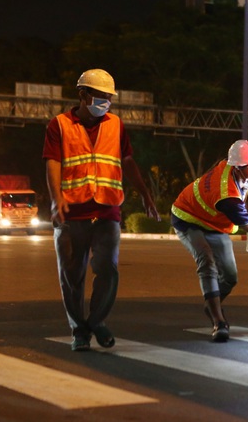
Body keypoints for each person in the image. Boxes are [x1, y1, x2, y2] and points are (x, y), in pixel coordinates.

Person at [43, 68, 160, 352]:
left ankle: (96, 321)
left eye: (109, 98)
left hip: (108, 210)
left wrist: (145, 193)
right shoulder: (59, 125)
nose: (105, 103)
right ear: (83, 95)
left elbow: (128, 160)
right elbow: (52, 163)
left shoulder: (116, 125)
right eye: (100, 97)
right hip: (71, 211)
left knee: (107, 269)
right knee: (72, 277)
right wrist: (57, 198)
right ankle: (79, 331)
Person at [171, 139, 248, 342]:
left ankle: (211, 302)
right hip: (188, 218)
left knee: (230, 277)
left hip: (214, 223)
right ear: (237, 168)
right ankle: (218, 321)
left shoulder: (234, 169)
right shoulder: (227, 196)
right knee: (207, 260)